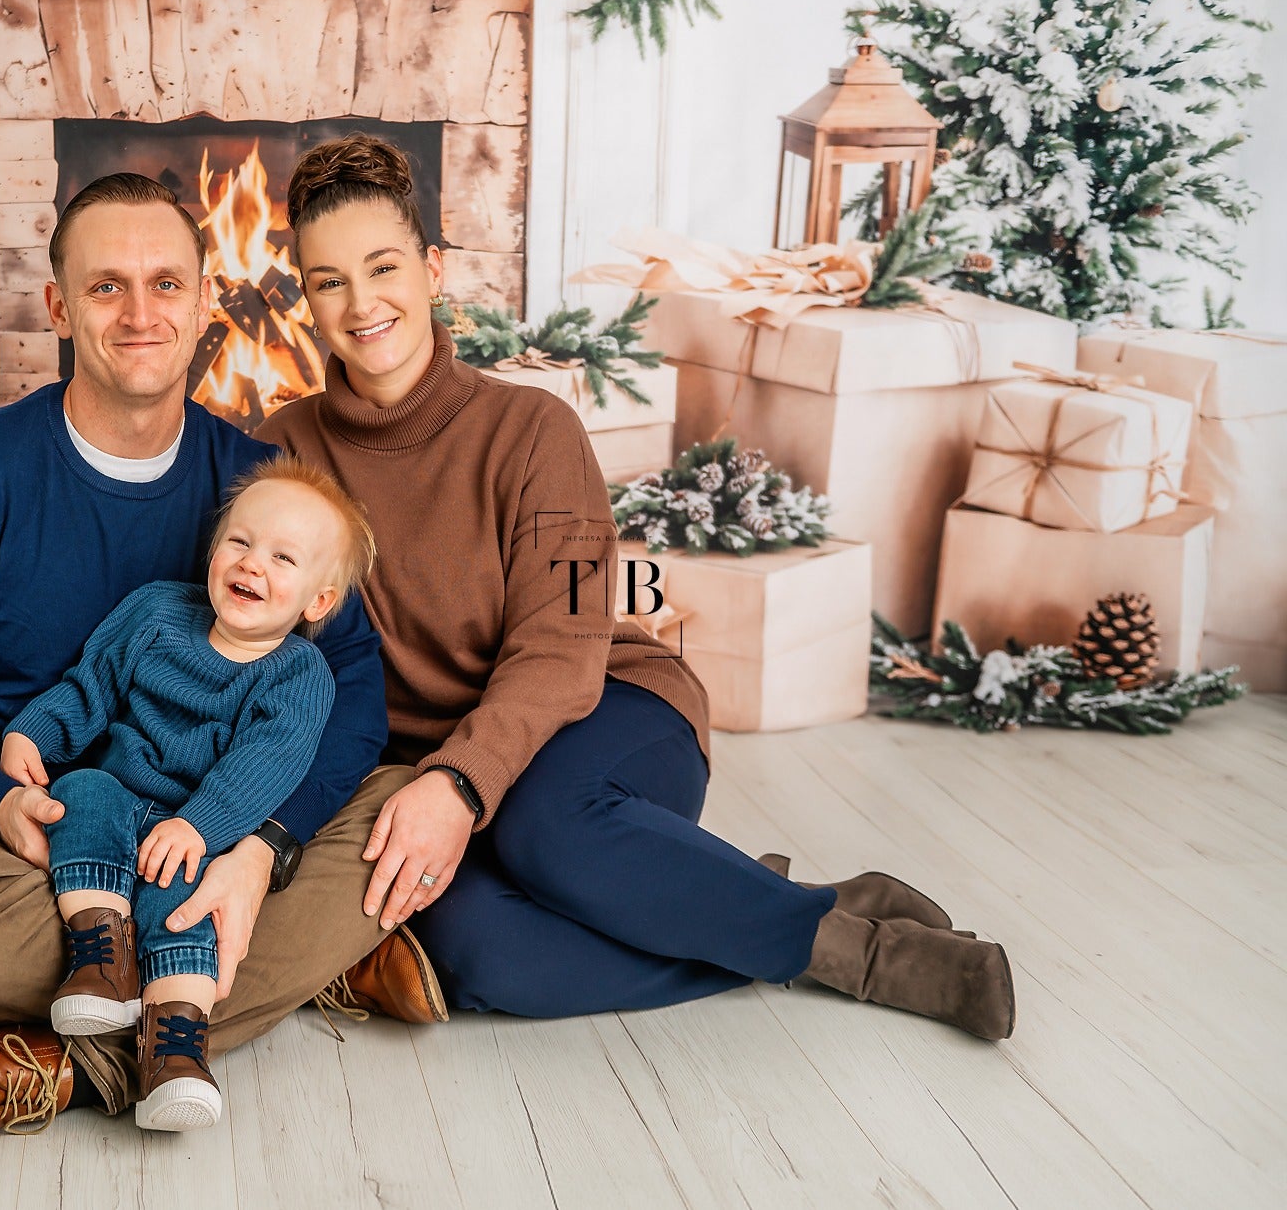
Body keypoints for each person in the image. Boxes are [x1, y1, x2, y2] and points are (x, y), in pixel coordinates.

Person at [257, 134, 1016, 1040]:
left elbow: (565, 648)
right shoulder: (284, 450)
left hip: (604, 715)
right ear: (305, 298)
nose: (360, 302)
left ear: (431, 268)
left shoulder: (533, 428)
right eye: (327, 280)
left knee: (548, 830)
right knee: (469, 951)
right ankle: (773, 900)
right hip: (439, 770)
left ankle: (865, 955)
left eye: (382, 266)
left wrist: (457, 783)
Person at [0, 173, 443, 1154]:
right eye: (106, 287)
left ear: (204, 302)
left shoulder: (257, 491)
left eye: (165, 284)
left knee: (401, 806)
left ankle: (53, 1063)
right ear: (59, 305)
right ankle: (291, 964)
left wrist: (258, 849)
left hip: (218, 828)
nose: (141, 312)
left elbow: (355, 684)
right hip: (41, 845)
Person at [0, 457, 378, 1131]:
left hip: (199, 832)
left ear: (318, 601)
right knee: (78, 793)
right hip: (117, 793)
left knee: (186, 903)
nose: (252, 562)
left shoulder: (299, 674)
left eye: (283, 557)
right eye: (240, 540)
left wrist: (198, 827)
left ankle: (174, 1048)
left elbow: (264, 767)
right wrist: (33, 732)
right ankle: (100, 959)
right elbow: (91, 686)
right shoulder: (155, 611)